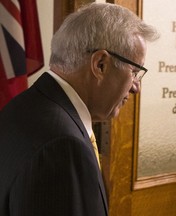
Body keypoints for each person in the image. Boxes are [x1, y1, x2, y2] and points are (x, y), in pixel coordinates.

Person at [0, 2, 159, 216]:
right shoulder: (63, 147)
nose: (136, 87)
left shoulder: (23, 107)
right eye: (134, 72)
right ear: (100, 64)